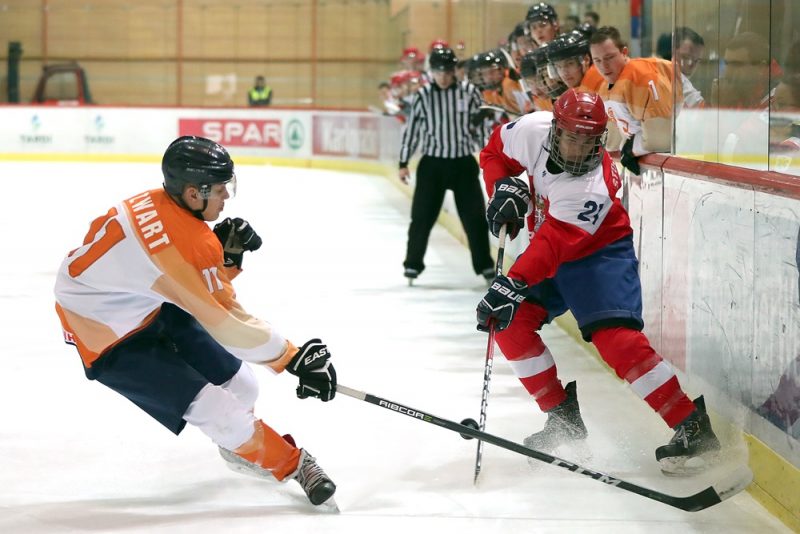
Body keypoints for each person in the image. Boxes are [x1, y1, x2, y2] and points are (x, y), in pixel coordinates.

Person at [53, 136, 337, 505]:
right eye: (220, 190)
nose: (227, 198)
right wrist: (292, 358)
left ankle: (240, 445)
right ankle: (295, 465)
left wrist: (225, 261)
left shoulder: (159, 204)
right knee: (215, 410)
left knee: (244, 387)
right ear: (192, 193)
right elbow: (225, 322)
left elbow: (184, 288)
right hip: (105, 335)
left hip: (141, 304)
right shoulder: (187, 242)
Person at [476, 89, 721, 475]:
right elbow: (493, 154)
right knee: (509, 324)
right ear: (556, 129)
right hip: (549, 246)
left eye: (590, 140)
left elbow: (557, 243)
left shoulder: (593, 186)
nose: (579, 148)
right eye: (573, 137)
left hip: (598, 254)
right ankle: (562, 419)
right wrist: (501, 186)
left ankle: (692, 426)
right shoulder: (532, 129)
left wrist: (515, 282)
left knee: (617, 343)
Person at [398, 47, 495, 284]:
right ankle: (412, 264)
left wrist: (487, 152)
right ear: (432, 72)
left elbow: (481, 127)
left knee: (474, 219)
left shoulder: (470, 92)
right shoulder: (423, 95)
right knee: (421, 218)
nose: (442, 77)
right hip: (432, 165)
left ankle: (485, 266)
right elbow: (412, 130)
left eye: (447, 72)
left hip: (462, 164)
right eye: (438, 72)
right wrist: (403, 161)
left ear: (454, 71)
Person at [589, 26, 678, 174]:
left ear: (624, 52)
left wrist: (631, 149)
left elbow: (662, 139)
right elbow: (613, 142)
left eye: (609, 58)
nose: (603, 66)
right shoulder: (606, 87)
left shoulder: (641, 77)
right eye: (597, 60)